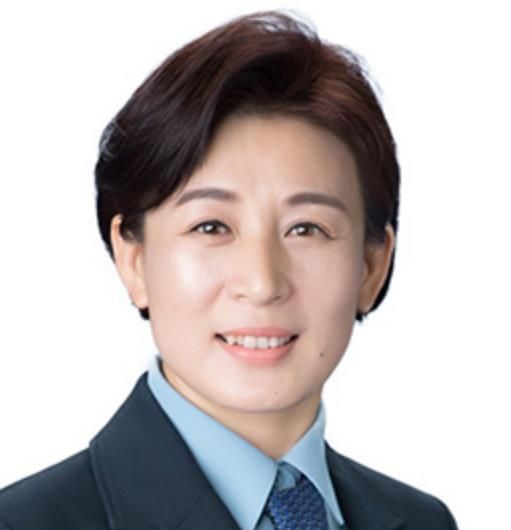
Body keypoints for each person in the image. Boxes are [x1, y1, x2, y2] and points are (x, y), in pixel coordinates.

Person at [0, 10, 458, 530]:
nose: (262, 284)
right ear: (134, 259)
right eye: (211, 226)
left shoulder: (423, 521)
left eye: (306, 229)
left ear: (373, 266)